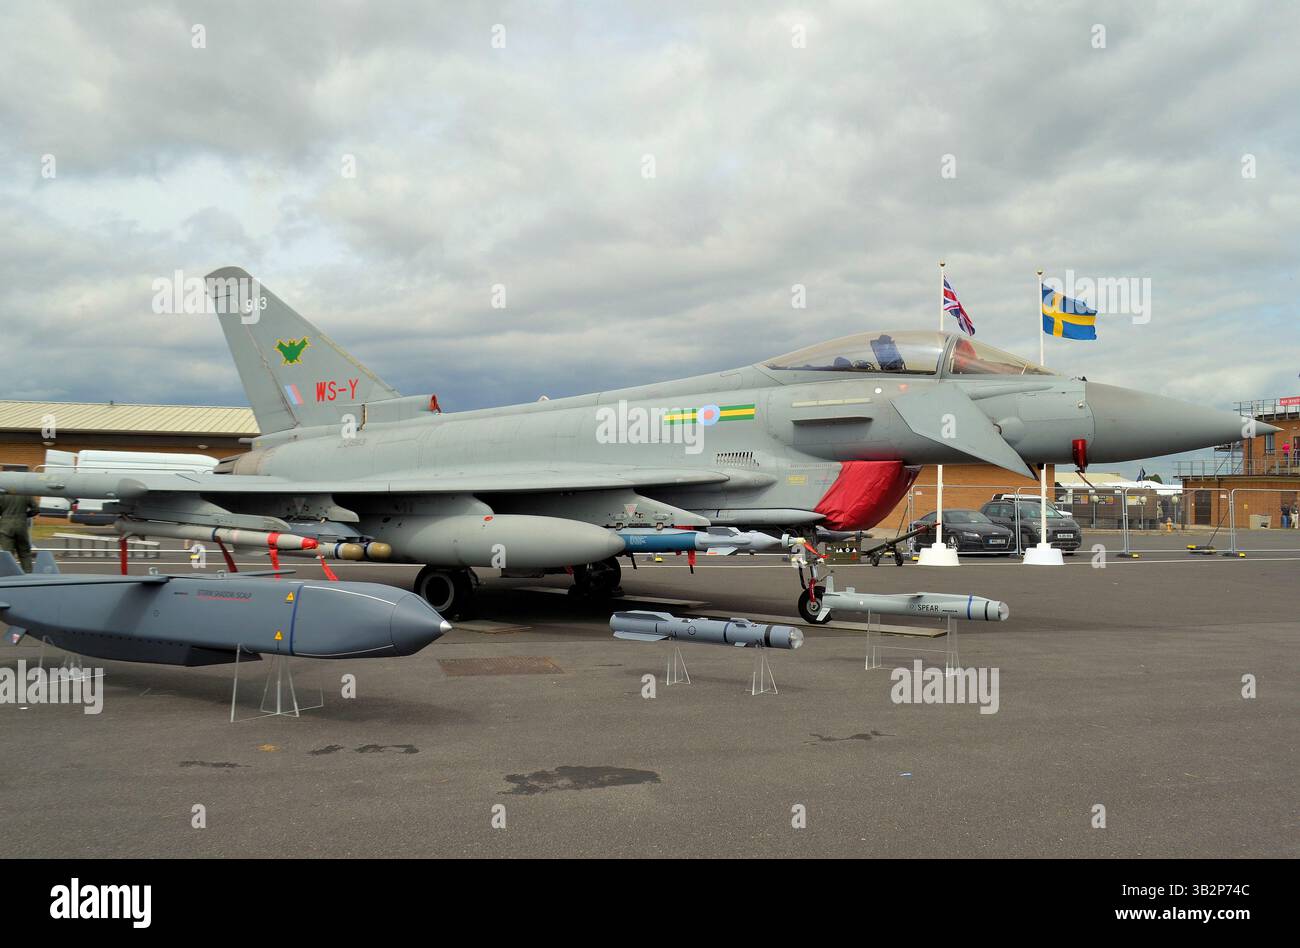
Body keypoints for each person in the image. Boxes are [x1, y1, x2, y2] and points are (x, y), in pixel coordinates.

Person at [0, 491, 38, 572]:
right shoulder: (25, 493)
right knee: (25, 553)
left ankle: (9, 575)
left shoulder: (2, 494)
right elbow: (36, 509)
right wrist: (25, 515)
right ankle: (28, 575)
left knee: (8, 554)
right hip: (21, 526)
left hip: (5, 527)